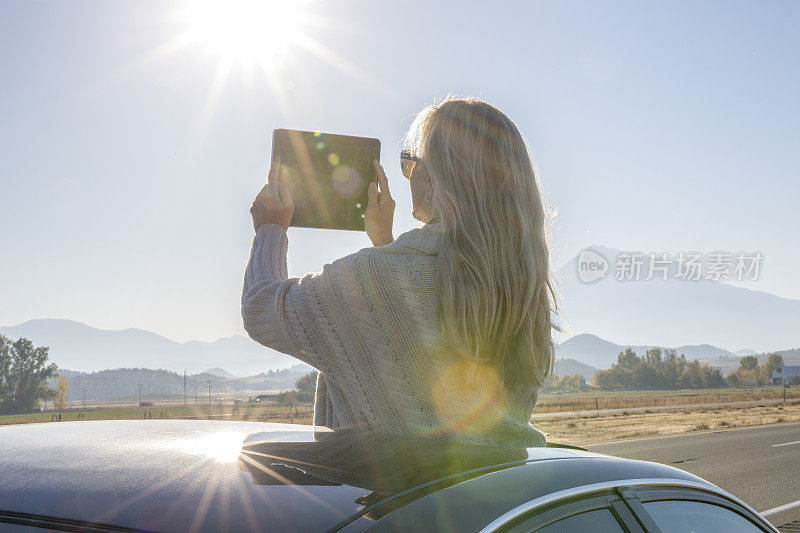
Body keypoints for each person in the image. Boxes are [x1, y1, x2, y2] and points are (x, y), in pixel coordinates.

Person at [242, 97, 556, 447]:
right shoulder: (522, 286)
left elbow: (260, 308)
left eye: (411, 163)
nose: (408, 175)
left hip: (396, 500)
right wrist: (385, 243)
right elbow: (420, 358)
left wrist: (271, 226)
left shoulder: (375, 279)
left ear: (436, 179)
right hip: (509, 488)